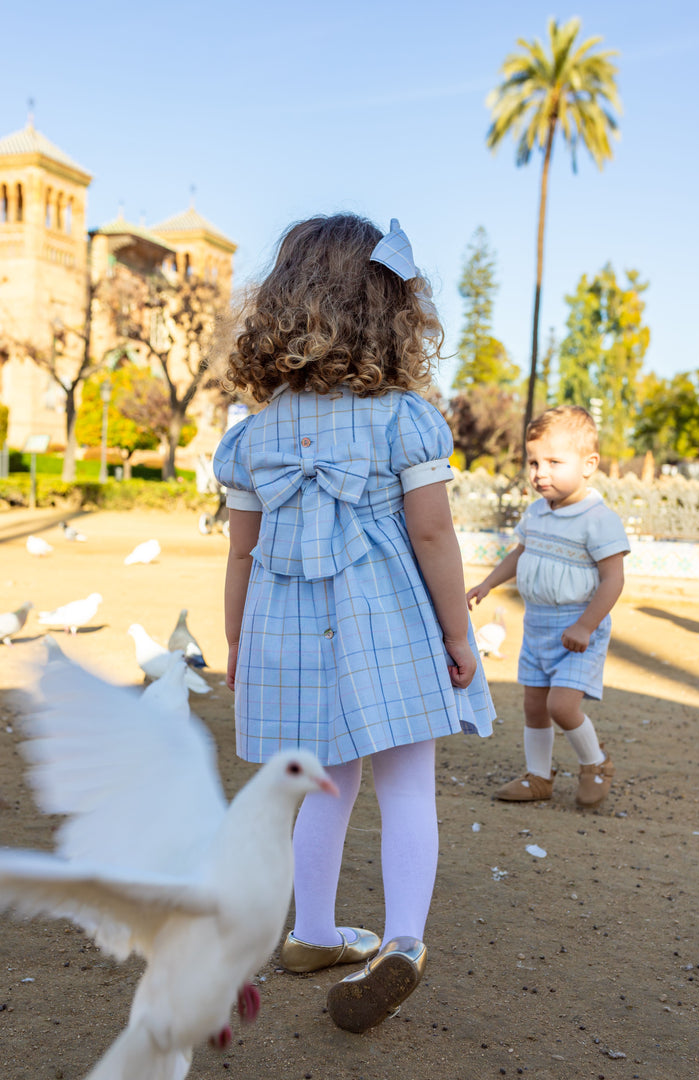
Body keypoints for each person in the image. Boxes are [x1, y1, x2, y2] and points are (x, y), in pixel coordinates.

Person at [213, 215, 495, 1033]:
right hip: (389, 622)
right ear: (389, 311)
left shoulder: (250, 437)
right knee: (407, 784)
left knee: (325, 785)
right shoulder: (404, 419)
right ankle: (401, 942)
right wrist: (457, 634)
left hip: (292, 630)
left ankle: (312, 932)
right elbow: (432, 536)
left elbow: (241, 554)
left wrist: (237, 643)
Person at [467, 405, 629, 807]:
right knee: (534, 706)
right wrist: (488, 583)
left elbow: (614, 579)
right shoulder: (536, 511)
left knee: (561, 706)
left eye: (554, 462)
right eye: (534, 462)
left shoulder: (598, 518)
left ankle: (596, 763)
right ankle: (538, 777)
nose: (540, 472)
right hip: (537, 625)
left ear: (589, 464)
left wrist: (586, 626)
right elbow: (520, 552)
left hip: (578, 629)